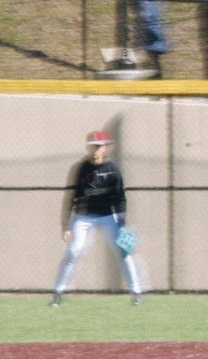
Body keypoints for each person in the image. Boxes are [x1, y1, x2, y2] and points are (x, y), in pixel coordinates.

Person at [51, 129, 147, 306]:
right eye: (92, 146)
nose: (95, 150)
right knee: (74, 251)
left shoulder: (113, 170)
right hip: (84, 216)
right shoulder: (80, 169)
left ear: (105, 148)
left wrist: (121, 223)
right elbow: (71, 198)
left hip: (108, 215)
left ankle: (136, 292)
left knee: (123, 250)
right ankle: (58, 292)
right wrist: (66, 226)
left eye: (99, 146)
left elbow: (120, 198)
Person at [132, 0, 171, 75]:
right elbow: (148, 18)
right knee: (150, 67)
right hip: (148, 36)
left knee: (154, 65)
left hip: (155, 36)